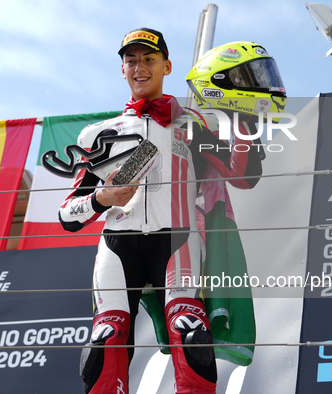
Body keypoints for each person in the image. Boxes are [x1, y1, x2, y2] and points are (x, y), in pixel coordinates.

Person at [58, 28, 265, 394]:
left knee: (190, 332)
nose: (140, 67)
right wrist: (102, 199)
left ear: (166, 66)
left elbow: (243, 176)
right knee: (106, 339)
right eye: (131, 60)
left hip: (178, 240)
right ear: (122, 70)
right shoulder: (99, 134)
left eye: (149, 59)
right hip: (116, 245)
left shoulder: (191, 124)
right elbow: (67, 215)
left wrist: (244, 115)